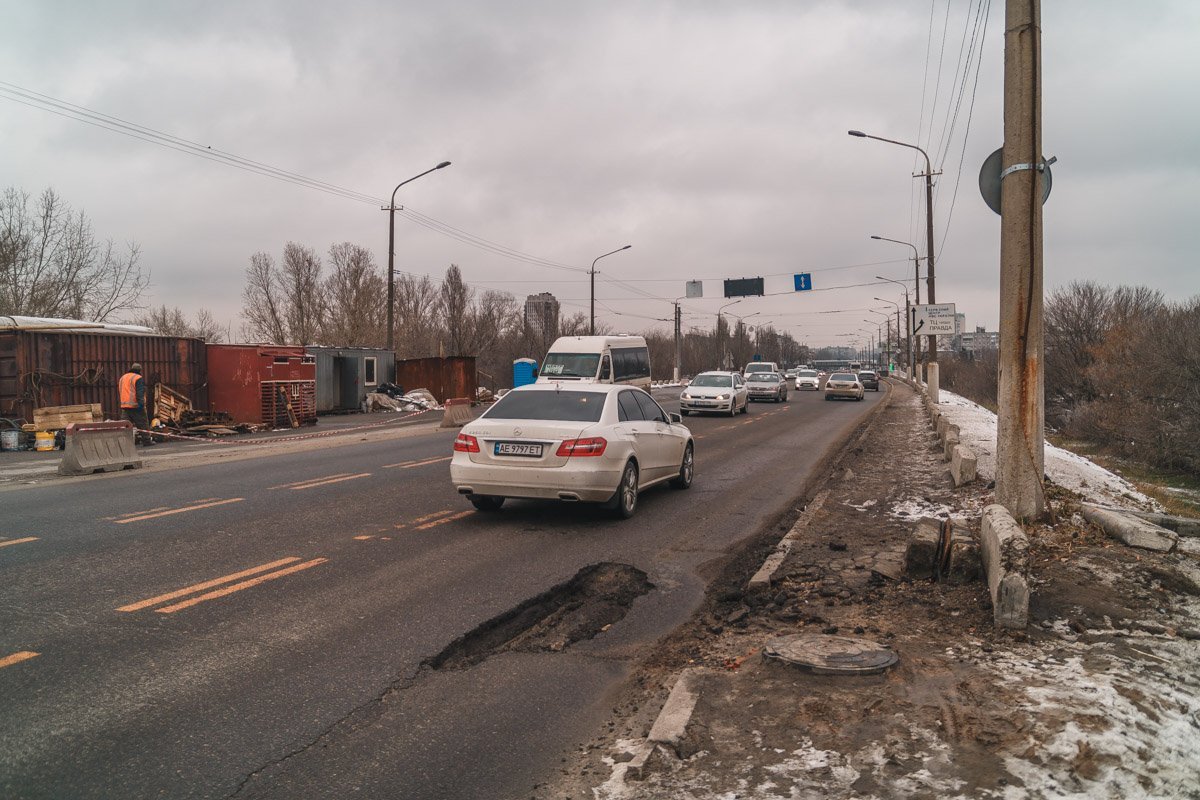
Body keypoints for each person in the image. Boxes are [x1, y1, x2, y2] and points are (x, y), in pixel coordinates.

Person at [119, 363, 156, 445]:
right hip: (135, 406)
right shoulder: (137, 378)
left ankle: (124, 443)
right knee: (143, 423)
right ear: (139, 370)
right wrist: (141, 405)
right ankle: (147, 441)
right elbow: (140, 393)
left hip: (125, 406)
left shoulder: (123, 378)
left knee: (125, 426)